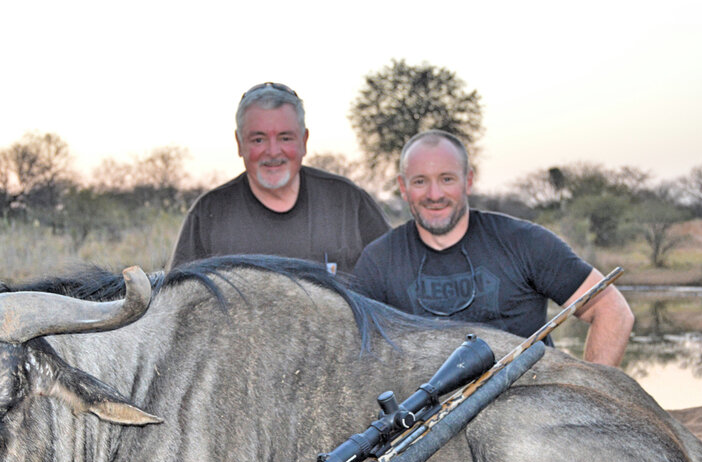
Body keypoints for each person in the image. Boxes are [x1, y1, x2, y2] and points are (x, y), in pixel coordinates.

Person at [352, 130, 634, 366]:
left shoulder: (525, 242)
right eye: (420, 181)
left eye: (447, 179)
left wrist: (585, 400)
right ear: (403, 187)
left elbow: (612, 311)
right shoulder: (379, 261)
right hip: (426, 421)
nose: (434, 194)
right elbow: (354, 351)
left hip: (531, 412)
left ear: (468, 181)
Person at [167, 82, 389, 275]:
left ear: (304, 140)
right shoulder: (208, 215)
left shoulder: (348, 202)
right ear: (239, 143)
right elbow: (178, 304)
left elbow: (397, 280)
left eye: (285, 138)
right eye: (258, 140)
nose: (273, 152)